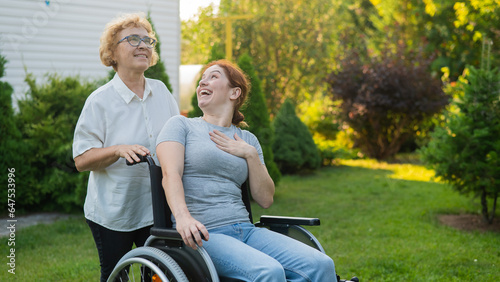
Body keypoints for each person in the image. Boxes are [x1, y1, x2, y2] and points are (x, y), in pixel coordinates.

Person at [156, 59, 336, 281]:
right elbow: (170, 174)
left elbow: (265, 199)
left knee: (321, 265)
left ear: (234, 93)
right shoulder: (181, 125)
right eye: (202, 79)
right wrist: (183, 218)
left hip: (247, 230)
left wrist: (250, 154)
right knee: (269, 272)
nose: (203, 81)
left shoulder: (248, 139)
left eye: (213, 76)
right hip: (205, 234)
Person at [72, 13, 179, 281]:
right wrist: (117, 149)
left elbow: (179, 139)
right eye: (133, 39)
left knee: (155, 275)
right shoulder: (99, 101)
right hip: (112, 212)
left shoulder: (162, 92)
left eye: (147, 40)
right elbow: (82, 160)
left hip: (156, 208)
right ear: (112, 52)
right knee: (115, 275)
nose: (143, 45)